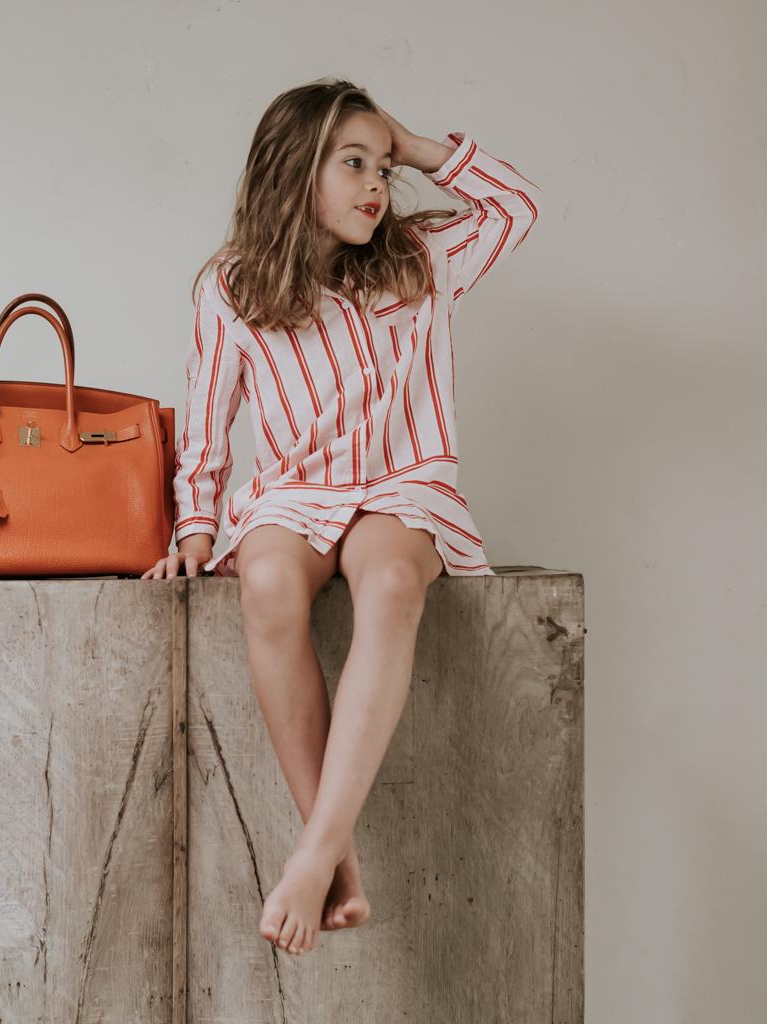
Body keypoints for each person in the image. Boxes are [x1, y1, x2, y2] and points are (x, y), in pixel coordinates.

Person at [141, 78, 542, 957]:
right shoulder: (234, 287)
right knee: (270, 582)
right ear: (295, 171)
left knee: (393, 579)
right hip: (294, 491)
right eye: (354, 162)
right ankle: (343, 861)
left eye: (382, 165)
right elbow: (207, 422)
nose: (375, 182)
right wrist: (196, 532)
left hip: (404, 484)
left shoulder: (419, 260)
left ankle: (314, 851)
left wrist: (417, 142)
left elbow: (517, 206)